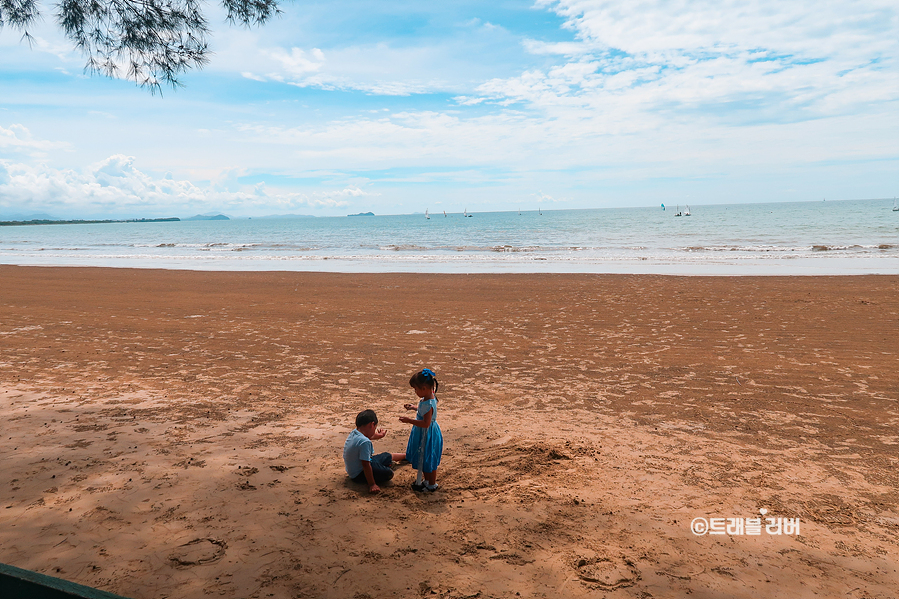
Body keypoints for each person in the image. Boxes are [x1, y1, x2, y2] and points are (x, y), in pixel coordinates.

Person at [400, 368, 443, 492]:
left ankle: (431, 485)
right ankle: (427, 480)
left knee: (428, 458)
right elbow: (422, 410)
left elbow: (425, 423)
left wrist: (409, 421)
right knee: (423, 458)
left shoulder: (428, 404)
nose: (415, 391)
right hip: (425, 432)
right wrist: (414, 407)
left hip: (427, 434)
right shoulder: (430, 396)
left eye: (416, 389)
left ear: (424, 388)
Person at [344, 409, 405, 494]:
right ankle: (388, 466)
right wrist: (372, 484)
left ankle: (406, 456)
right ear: (372, 424)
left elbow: (370, 436)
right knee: (388, 473)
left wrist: (380, 435)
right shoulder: (365, 442)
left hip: (354, 469)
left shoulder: (355, 433)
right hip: (359, 474)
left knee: (386, 455)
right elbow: (365, 464)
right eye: (375, 428)